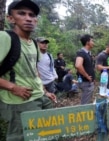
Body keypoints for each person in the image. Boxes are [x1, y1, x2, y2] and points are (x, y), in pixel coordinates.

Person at [0, 1, 56, 140]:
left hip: (39, 96)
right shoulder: (4, 38)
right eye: (21, 13)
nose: (28, 18)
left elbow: (34, 71)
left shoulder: (34, 44)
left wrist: (45, 91)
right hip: (20, 101)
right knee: (23, 137)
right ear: (10, 18)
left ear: (36, 20)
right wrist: (13, 87)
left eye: (32, 15)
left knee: (50, 134)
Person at [75, 34, 95, 104]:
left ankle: (85, 113)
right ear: (87, 42)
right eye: (92, 41)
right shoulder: (81, 53)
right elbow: (78, 65)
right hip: (86, 82)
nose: (93, 43)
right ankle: (82, 114)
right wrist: (87, 76)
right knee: (84, 104)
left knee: (87, 101)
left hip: (88, 82)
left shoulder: (87, 53)